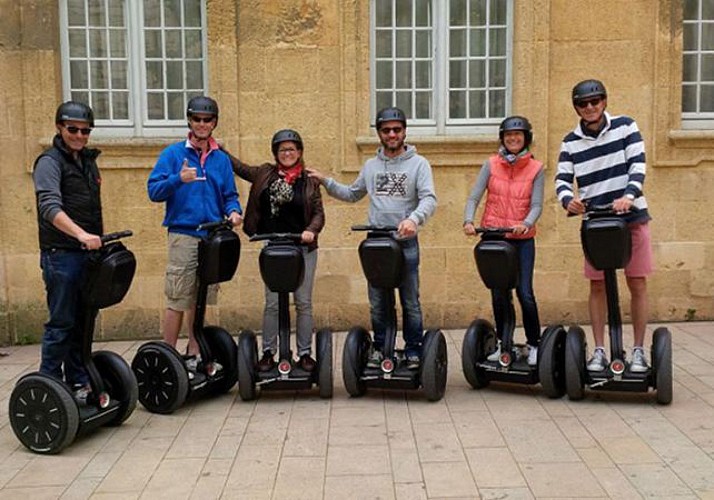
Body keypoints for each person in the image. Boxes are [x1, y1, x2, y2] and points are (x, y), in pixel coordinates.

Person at [308, 107, 437, 370]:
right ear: (379, 133)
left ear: (404, 132)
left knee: (410, 300)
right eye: (386, 130)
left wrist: (414, 219)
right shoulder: (371, 165)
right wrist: (326, 181)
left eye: (397, 130)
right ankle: (381, 348)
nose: (392, 134)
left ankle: (413, 350)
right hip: (376, 242)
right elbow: (353, 193)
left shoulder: (419, 164)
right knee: (379, 301)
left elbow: (429, 198)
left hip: (404, 241)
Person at [555, 79, 653, 373]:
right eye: (583, 104)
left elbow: (637, 164)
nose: (590, 108)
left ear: (604, 102)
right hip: (596, 222)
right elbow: (561, 179)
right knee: (597, 285)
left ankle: (637, 351)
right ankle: (599, 350)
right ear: (576, 107)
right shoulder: (570, 141)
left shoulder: (626, 126)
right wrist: (568, 200)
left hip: (631, 218)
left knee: (636, 282)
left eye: (595, 102)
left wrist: (629, 195)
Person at [147, 96, 243, 373]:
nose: (202, 124)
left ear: (214, 123)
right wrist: (178, 179)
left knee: (201, 297)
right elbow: (153, 191)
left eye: (207, 120)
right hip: (184, 234)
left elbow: (229, 195)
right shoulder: (174, 155)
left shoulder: (221, 159)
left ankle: (194, 351)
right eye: (197, 119)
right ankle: (167, 355)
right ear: (189, 121)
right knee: (179, 296)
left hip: (213, 237)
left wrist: (234, 211)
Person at [224, 129, 325, 372]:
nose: (287, 153)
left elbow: (319, 212)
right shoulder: (264, 173)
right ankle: (268, 352)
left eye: (292, 149)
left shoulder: (309, 179)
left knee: (303, 302)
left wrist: (311, 230)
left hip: (303, 249)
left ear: (299, 152)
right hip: (274, 248)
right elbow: (241, 168)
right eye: (282, 150)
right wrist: (219, 150)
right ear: (276, 153)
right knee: (271, 303)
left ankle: (304, 354)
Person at [33, 101, 103, 402]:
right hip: (61, 253)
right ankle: (48, 387)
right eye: (72, 129)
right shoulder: (49, 162)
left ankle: (77, 381)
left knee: (82, 321)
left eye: (85, 131)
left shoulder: (87, 160)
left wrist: (96, 238)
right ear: (59, 128)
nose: (79, 135)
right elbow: (49, 207)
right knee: (62, 323)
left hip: (86, 253)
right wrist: (80, 234)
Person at [463, 115, 544, 366]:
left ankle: (534, 344)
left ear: (526, 138)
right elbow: (474, 197)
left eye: (518, 135)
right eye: (509, 135)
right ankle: (503, 343)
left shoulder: (536, 168)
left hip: (521, 240)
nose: (513, 139)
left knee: (524, 292)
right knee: (499, 293)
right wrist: (468, 220)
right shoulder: (491, 164)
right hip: (494, 238)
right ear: (503, 138)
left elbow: (537, 204)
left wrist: (526, 224)